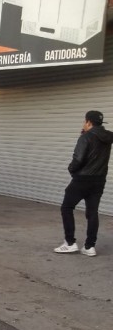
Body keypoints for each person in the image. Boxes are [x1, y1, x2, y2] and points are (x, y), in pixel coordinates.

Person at [54, 110, 113, 257]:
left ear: (88, 122)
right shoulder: (108, 137)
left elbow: (78, 159)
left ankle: (70, 243)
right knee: (92, 212)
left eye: (84, 121)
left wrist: (71, 169)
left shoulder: (86, 137)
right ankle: (89, 247)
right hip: (99, 180)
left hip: (82, 179)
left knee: (67, 207)